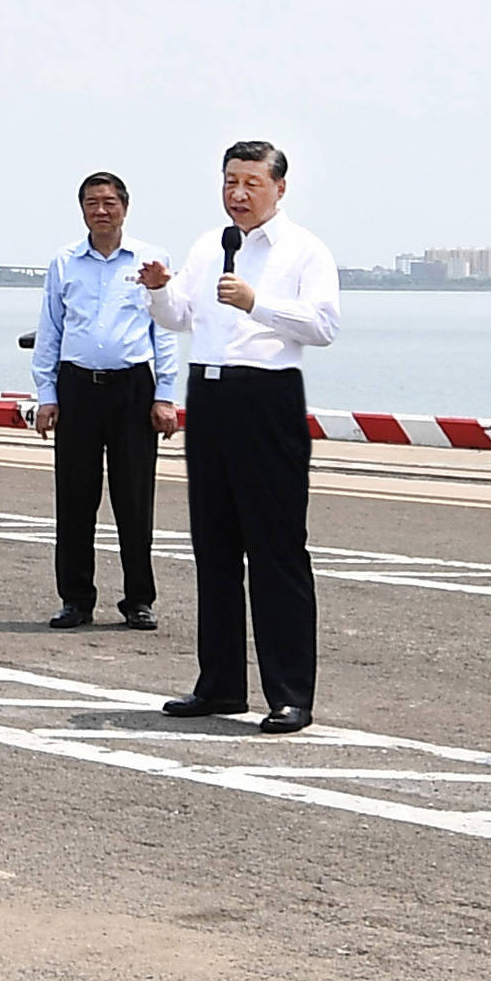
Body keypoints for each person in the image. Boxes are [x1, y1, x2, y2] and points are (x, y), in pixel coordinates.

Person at [146, 142, 343, 734]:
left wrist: (259, 303)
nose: (237, 192)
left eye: (251, 182)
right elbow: (181, 317)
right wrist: (159, 288)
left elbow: (325, 325)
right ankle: (220, 684)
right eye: (230, 180)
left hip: (267, 397)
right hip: (208, 396)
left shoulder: (305, 250)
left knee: (277, 549)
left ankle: (289, 694)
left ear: (279, 188)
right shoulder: (209, 246)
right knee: (214, 545)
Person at [29, 172, 181, 631]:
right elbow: (50, 330)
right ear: (82, 210)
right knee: (75, 498)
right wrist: (47, 394)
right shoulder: (64, 262)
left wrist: (166, 395)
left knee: (134, 498)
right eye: (93, 202)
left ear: (125, 207)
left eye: (110, 202)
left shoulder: (150, 260)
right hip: (77, 387)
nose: (102, 210)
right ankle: (75, 599)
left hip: (132, 387)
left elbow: (166, 330)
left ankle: (139, 599)